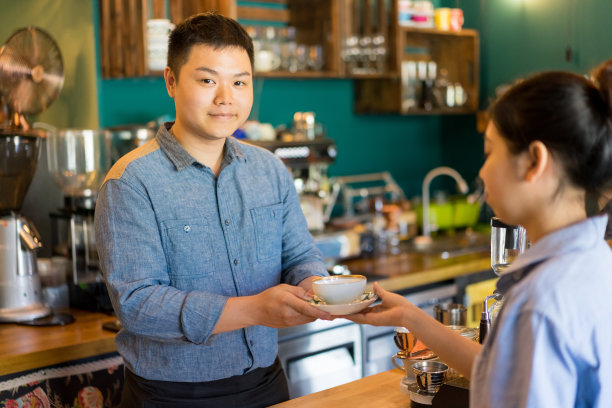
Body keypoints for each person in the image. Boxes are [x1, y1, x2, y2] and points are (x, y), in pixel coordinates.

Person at [94, 12, 330, 408]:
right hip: (171, 397)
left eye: (240, 82)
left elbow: (301, 255)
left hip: (267, 385)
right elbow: (138, 304)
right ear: (171, 81)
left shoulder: (269, 169)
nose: (226, 98)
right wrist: (253, 309)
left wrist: (315, 286)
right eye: (207, 81)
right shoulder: (130, 182)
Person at [347, 63, 612, 407]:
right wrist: (409, 316)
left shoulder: (539, 301)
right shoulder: (595, 259)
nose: (482, 171)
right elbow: (500, 372)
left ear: (534, 161)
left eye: (489, 151)